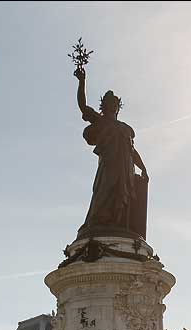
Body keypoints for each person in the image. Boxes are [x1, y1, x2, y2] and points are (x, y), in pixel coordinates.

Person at [74, 67, 148, 235]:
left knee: (122, 196)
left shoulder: (125, 129)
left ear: (118, 106)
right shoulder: (100, 121)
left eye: (115, 102)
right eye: (110, 102)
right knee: (104, 192)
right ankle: (97, 222)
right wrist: (82, 82)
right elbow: (82, 106)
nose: (113, 104)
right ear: (104, 105)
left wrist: (143, 167)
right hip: (109, 166)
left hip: (125, 168)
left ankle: (117, 224)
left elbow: (132, 151)